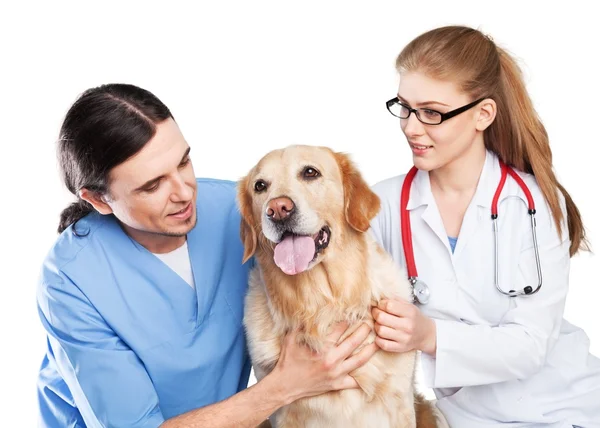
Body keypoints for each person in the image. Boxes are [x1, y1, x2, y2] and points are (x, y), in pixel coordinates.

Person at [35, 83, 378, 427]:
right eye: (153, 186)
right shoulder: (70, 283)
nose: (185, 193)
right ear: (98, 200)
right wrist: (281, 388)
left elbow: (340, 272)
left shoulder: (234, 212)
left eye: (183, 162)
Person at [368, 25, 600, 427]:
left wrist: (428, 335)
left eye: (431, 113)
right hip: (463, 418)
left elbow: (530, 346)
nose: (410, 127)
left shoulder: (533, 203)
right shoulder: (383, 205)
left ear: (483, 114)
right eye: (404, 106)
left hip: (564, 407)